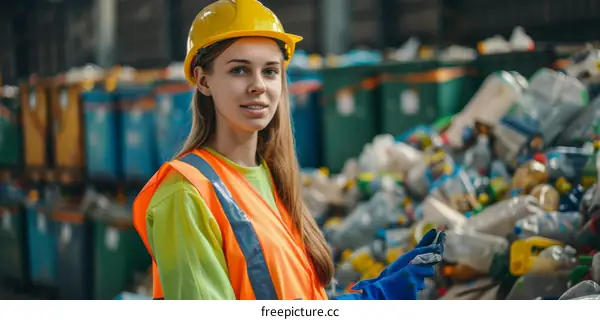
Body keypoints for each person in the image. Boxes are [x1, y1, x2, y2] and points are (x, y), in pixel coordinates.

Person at [132, 0, 445, 300]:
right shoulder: (186, 193)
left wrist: (371, 296)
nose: (258, 85)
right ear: (203, 80)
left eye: (270, 71)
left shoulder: (271, 178)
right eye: (239, 70)